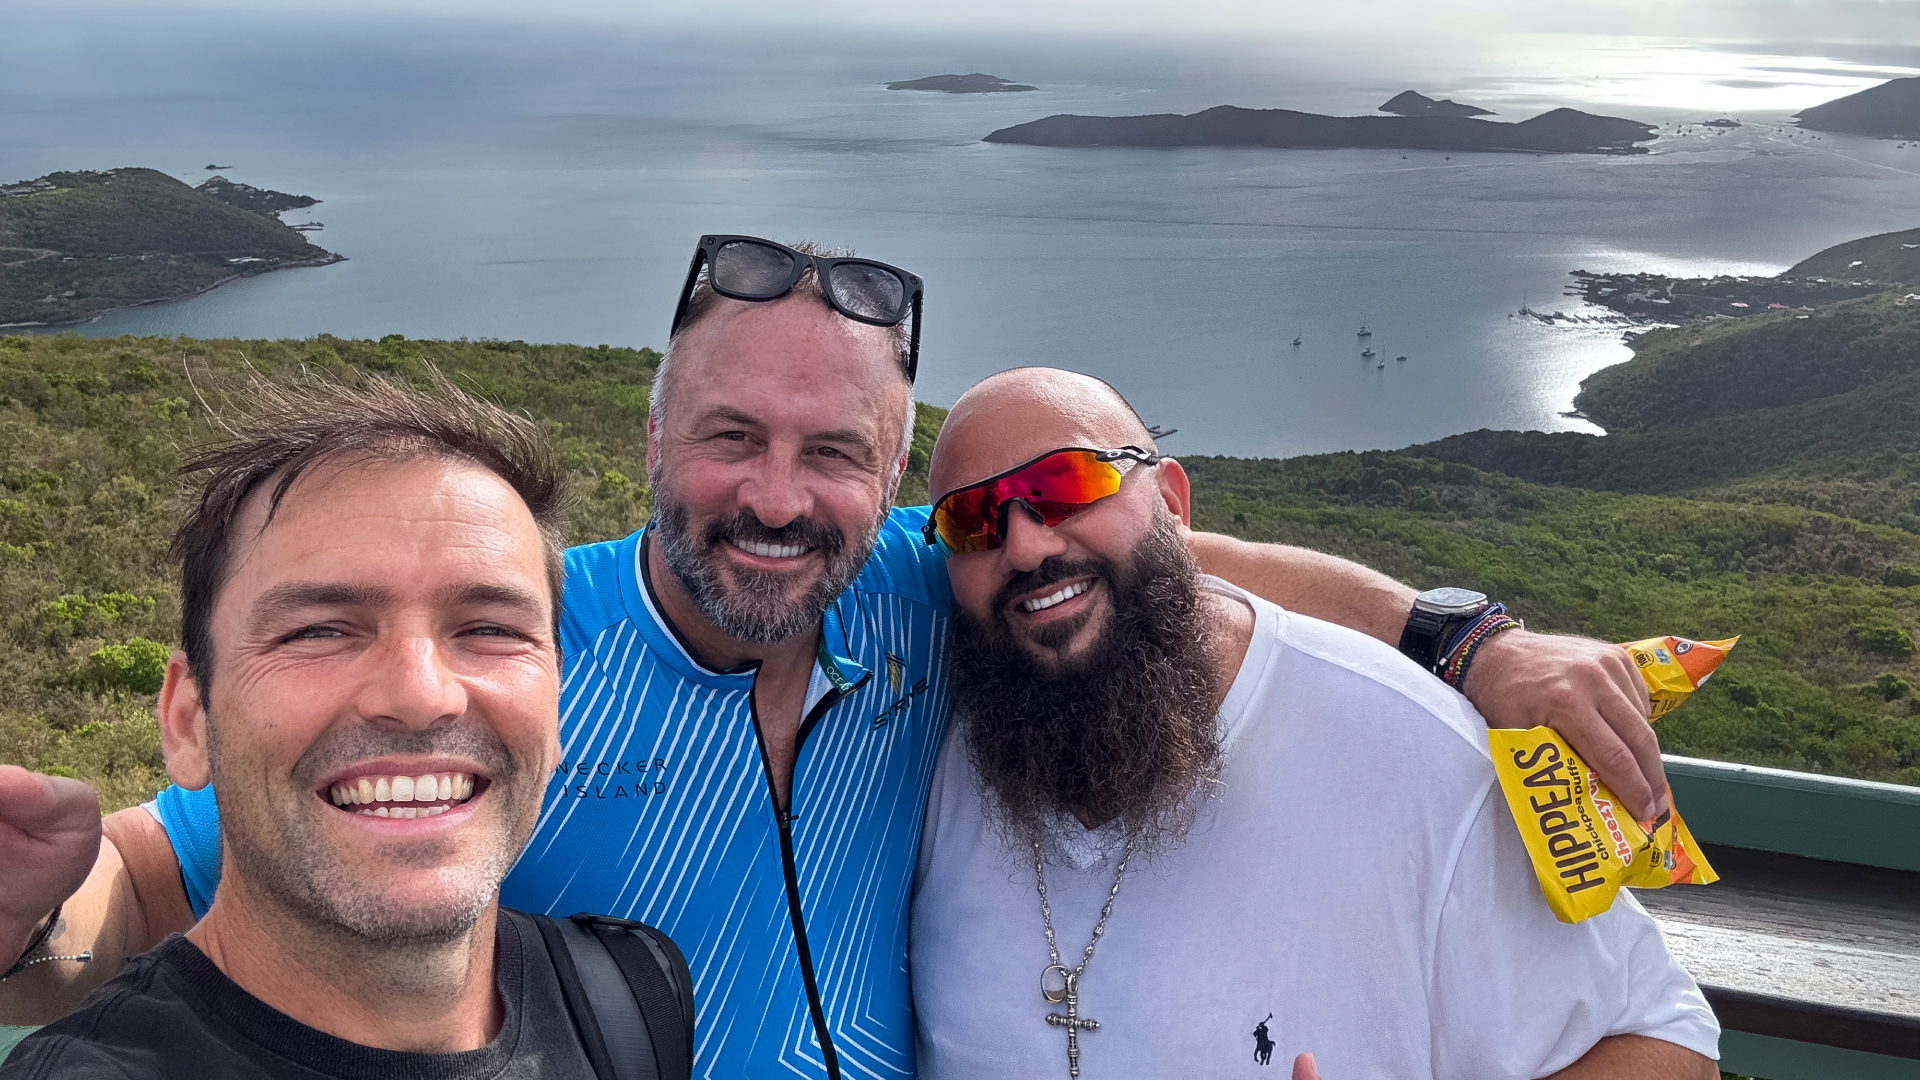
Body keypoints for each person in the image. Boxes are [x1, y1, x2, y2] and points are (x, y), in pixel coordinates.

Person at [1, 236, 1674, 1080]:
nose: (778, 499)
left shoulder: (919, 590)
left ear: (891, 486)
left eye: (837, 456)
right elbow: (144, 886)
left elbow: (1137, 549)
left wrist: (1460, 639)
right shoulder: (508, 656)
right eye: (732, 436)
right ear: (654, 438)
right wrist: (32, 914)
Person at [909, 368, 1721, 1080]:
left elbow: (1669, 1047)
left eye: (1068, 483)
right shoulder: (923, 724)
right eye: (972, 519)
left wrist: (1468, 641)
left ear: (1172, 504)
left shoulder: (1417, 754)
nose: (1023, 543)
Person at [2, 378, 603, 1077]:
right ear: (188, 721)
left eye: (491, 629)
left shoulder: (623, 992)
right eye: (317, 631)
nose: (419, 695)